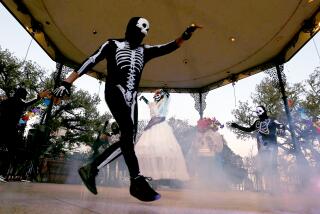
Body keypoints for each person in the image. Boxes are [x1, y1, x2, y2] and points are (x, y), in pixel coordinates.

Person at [53, 17, 201, 202]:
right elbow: (91, 60)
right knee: (128, 133)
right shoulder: (112, 44)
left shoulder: (144, 50)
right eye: (140, 29)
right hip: (114, 91)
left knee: (128, 140)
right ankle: (136, 180)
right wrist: (67, 82)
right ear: (130, 28)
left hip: (131, 98)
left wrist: (185, 35)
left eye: (146, 30)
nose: (143, 33)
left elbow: (169, 47)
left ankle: (92, 168)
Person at [135, 89, 189, 187]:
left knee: (162, 150)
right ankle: (151, 177)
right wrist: (143, 99)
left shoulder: (164, 102)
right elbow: (149, 104)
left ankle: (161, 177)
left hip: (160, 125)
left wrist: (164, 92)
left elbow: (168, 98)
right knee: (149, 150)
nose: (156, 96)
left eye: (158, 95)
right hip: (152, 126)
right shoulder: (153, 104)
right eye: (156, 95)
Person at [230, 105, 285, 192]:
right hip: (262, 148)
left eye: (260, 111)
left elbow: (281, 125)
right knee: (264, 167)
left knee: (273, 166)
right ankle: (267, 188)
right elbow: (248, 129)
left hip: (272, 146)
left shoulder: (272, 120)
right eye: (257, 112)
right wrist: (237, 126)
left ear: (264, 110)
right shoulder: (257, 123)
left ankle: (276, 188)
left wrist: (282, 129)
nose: (259, 113)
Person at [0, 88, 42, 180]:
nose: (26, 96)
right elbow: (27, 105)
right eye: (25, 94)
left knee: (9, 151)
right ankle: (3, 173)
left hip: (2, 127)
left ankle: (4, 173)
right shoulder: (19, 103)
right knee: (11, 151)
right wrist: (38, 99)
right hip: (10, 129)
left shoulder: (5, 101)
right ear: (21, 94)